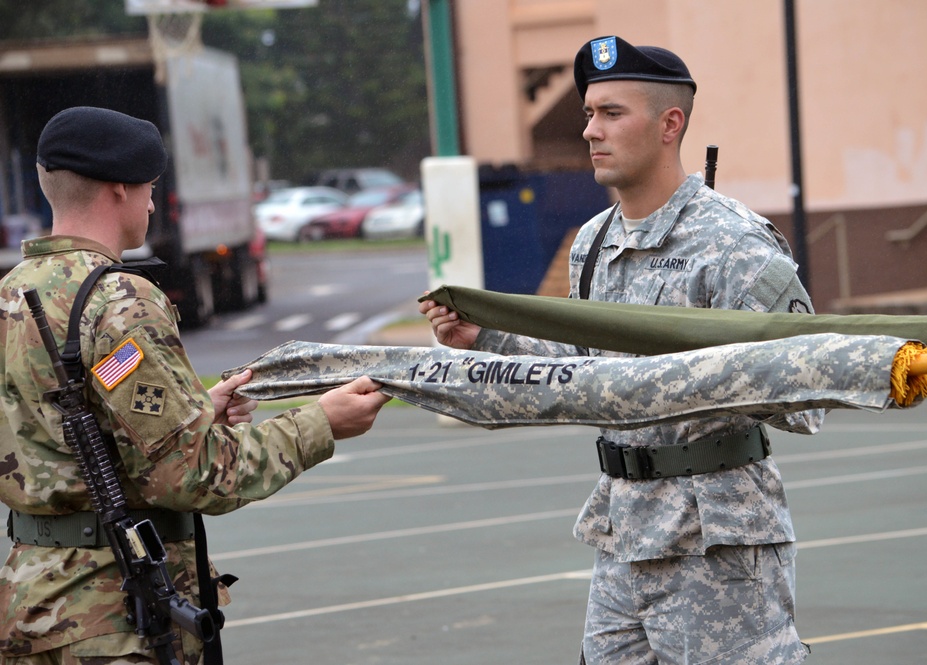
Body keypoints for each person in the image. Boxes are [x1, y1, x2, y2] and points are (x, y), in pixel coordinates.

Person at [419, 36, 823, 664]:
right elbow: (582, 366)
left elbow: (807, 399)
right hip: (622, 530)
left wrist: (693, 374)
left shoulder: (734, 243)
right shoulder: (592, 241)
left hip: (715, 539)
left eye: (612, 113)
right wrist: (488, 339)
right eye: (588, 114)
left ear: (670, 124)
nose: (591, 131)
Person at [0, 106, 391, 664]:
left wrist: (194, 409)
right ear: (118, 191)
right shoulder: (118, 301)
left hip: (28, 606)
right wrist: (320, 424)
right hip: (111, 620)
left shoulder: (12, 292)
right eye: (149, 188)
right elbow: (197, 475)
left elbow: (59, 425)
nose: (153, 202)